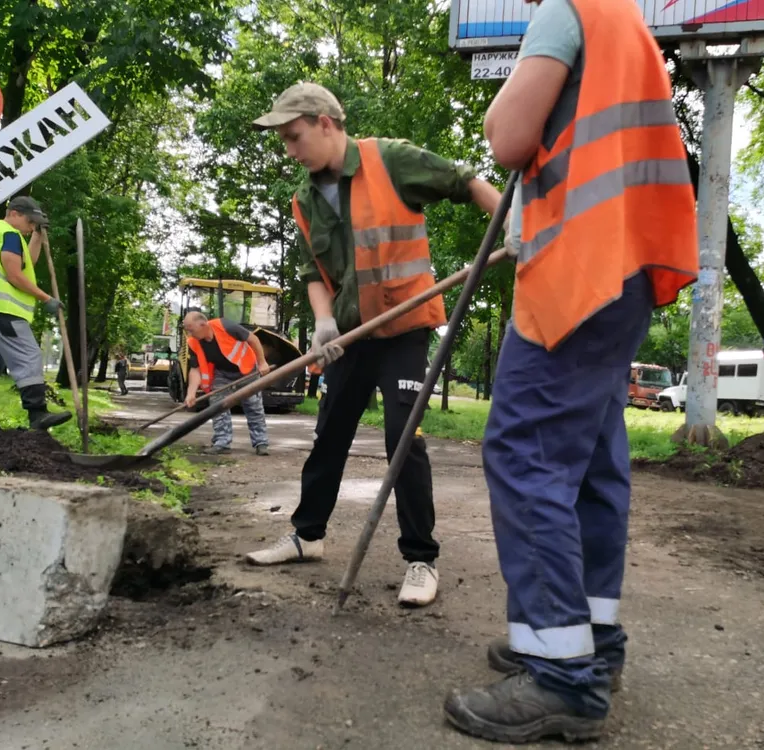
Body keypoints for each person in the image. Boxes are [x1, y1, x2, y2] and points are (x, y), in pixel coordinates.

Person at [443, 0, 699, 742]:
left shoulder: (567, 11)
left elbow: (509, 135)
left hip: (581, 269)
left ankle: (560, 676)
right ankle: (589, 645)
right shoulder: (624, 23)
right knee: (588, 463)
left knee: (525, 452)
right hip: (622, 264)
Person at [245, 82, 504, 608]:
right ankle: (306, 536)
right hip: (351, 332)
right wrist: (322, 324)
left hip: (405, 326)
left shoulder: (391, 160)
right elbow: (311, 271)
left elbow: (465, 180)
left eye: (294, 137)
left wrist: (513, 221)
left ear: (325, 122)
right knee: (330, 433)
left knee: (402, 435)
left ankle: (420, 559)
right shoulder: (303, 197)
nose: (290, 150)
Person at [0, 196, 71, 430]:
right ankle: (37, 413)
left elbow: (26, 263)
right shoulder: (9, 235)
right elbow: (14, 274)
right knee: (29, 355)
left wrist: (37, 236)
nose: (31, 226)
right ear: (14, 213)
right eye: (30, 222)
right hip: (3, 308)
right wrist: (46, 298)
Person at [182, 311, 272, 456]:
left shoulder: (225, 326)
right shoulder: (193, 342)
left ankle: (261, 443)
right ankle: (222, 443)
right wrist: (191, 393)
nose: (189, 333)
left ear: (203, 324)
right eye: (187, 330)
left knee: (253, 407)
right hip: (222, 374)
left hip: (246, 370)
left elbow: (253, 339)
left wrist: (262, 363)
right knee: (218, 405)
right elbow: (195, 369)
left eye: (191, 329)